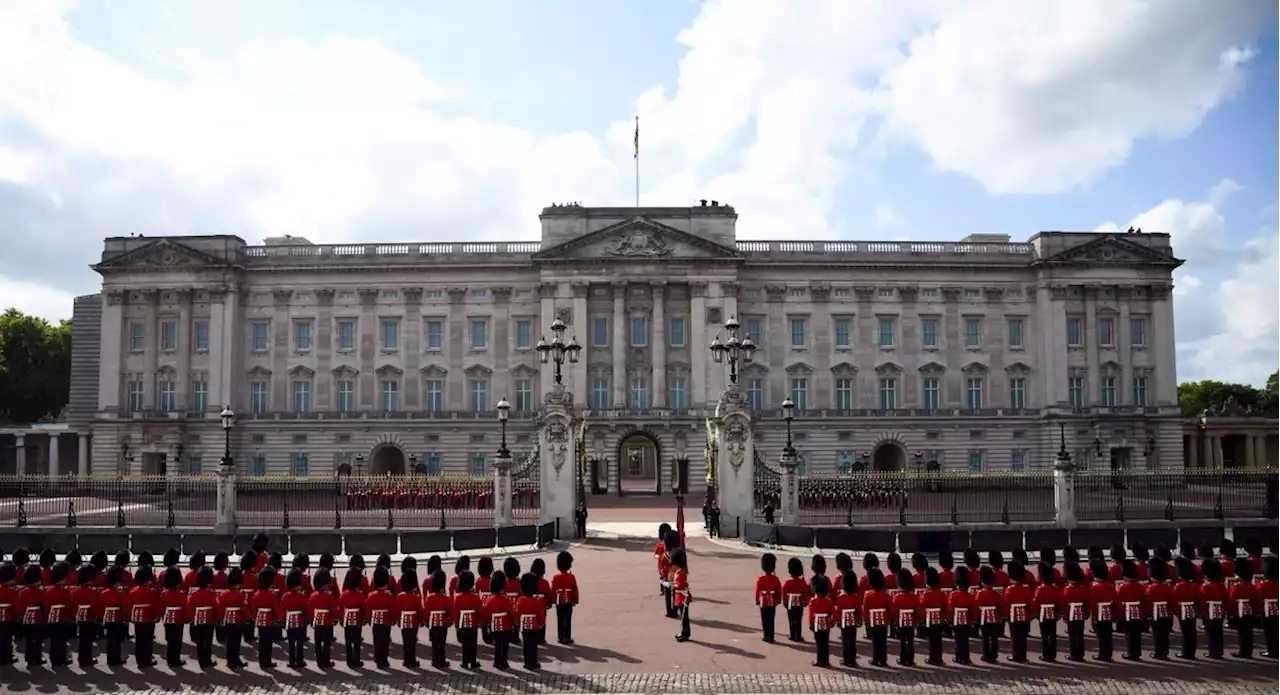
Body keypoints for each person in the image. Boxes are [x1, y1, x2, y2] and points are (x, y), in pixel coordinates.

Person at [128, 565, 159, 669]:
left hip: (137, 617)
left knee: (139, 639)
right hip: (147, 617)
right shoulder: (151, 592)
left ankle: (139, 659)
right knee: (147, 640)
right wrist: (157, 616)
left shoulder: (133, 591)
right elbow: (155, 605)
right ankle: (146, 660)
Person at [188, 566, 218, 669]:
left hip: (198, 619)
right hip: (209, 619)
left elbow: (190, 607)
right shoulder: (211, 593)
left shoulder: (194, 593)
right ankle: (207, 660)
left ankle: (201, 660)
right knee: (208, 641)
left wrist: (192, 619)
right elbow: (216, 606)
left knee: (200, 641)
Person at [307, 568, 337, 669]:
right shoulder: (328, 596)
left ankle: (319, 661)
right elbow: (333, 609)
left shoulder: (312, 596)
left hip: (317, 622)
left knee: (318, 643)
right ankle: (326, 661)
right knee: (327, 643)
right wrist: (335, 618)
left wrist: (311, 620)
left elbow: (310, 609)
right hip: (327, 622)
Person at [366, 566, 396, 669]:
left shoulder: (371, 595)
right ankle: (383, 660)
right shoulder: (389, 596)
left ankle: (377, 658)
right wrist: (394, 619)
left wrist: (369, 619)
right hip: (386, 621)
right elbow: (392, 609)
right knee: (384, 641)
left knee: (377, 639)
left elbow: (368, 609)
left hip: (375, 620)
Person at [1004, 560, 1033, 663]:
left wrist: (1005, 614)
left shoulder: (1009, 590)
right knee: (1023, 636)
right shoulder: (1026, 589)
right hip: (1024, 614)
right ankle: (1023, 655)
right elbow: (1030, 602)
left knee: (1015, 636)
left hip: (1014, 615)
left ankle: (1016, 655)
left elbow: (1006, 604)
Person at [72, 564, 101, 667]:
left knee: (82, 639)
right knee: (88, 640)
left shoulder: (76, 590)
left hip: (80, 616)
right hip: (89, 617)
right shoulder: (91, 591)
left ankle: (82, 659)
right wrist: (97, 615)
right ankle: (87, 659)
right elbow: (95, 605)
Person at [452, 571, 483, 669]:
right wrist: (480, 621)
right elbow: (479, 611)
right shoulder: (475, 597)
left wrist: (456, 622)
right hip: (473, 621)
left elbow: (456, 611)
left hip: (462, 621)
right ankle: (472, 662)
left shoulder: (457, 597)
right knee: (473, 643)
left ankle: (465, 662)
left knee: (464, 644)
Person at [252, 567, 281, 670]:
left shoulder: (256, 594)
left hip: (260, 620)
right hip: (269, 620)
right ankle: (267, 661)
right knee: (268, 643)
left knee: (261, 642)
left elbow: (254, 609)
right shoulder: (271, 595)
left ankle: (261, 661)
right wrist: (279, 619)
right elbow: (276, 609)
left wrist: (256, 617)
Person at [44, 561, 72, 667]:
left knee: (54, 640)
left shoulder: (48, 591)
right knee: (62, 641)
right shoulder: (66, 592)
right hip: (63, 618)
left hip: (52, 618)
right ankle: (61, 658)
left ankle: (54, 659)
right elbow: (69, 605)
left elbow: (46, 606)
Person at [218, 568, 247, 670]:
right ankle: (235, 660)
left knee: (229, 641)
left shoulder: (223, 594)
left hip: (227, 619)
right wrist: (248, 617)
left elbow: (221, 608)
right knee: (236, 641)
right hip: (237, 619)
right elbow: (243, 608)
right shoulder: (239, 594)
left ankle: (230, 661)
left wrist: (221, 619)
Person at [1117, 560, 1146, 661]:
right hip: (1138, 612)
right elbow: (1144, 600)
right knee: (1137, 634)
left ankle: (1131, 653)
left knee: (1129, 634)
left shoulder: (1123, 587)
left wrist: (1119, 615)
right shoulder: (1141, 586)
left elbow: (1119, 602)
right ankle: (1137, 653)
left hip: (1127, 612)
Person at [159, 566, 188, 668]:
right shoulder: (181, 594)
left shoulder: (163, 594)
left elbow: (162, 607)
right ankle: (175, 660)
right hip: (178, 619)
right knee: (177, 641)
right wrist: (188, 618)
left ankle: (170, 659)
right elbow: (186, 607)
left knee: (170, 640)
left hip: (167, 618)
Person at [515, 572, 545, 670]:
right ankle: (534, 662)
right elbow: (541, 614)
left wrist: (517, 623)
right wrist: (542, 623)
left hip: (524, 624)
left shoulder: (520, 600)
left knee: (526, 644)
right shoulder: (537, 601)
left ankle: (527, 662)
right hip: (534, 624)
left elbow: (517, 612)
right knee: (533, 645)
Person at [1230, 557, 1258, 659]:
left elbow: (1232, 600)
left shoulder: (1237, 586)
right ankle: (1248, 651)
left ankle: (1243, 651)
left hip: (1240, 610)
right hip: (1249, 610)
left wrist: (1231, 613)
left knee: (1242, 632)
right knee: (1249, 631)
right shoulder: (1252, 586)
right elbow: (1255, 599)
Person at [18, 563, 46, 667]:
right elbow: (44, 606)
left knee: (29, 639)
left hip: (26, 619)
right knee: (38, 640)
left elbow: (20, 606)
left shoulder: (22, 592)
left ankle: (29, 658)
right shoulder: (40, 592)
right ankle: (37, 658)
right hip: (38, 618)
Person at [1088, 561, 1116, 662]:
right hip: (1108, 613)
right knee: (1108, 635)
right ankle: (1108, 654)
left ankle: (1102, 655)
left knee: (1101, 636)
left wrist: (1094, 615)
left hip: (1099, 614)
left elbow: (1093, 602)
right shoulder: (1110, 586)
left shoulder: (1095, 587)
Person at [1172, 557, 1200, 660]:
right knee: (1192, 632)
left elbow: (1175, 601)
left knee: (1185, 632)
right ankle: (1191, 652)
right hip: (1191, 610)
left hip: (1183, 610)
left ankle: (1185, 652)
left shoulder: (1178, 587)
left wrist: (1176, 612)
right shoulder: (1195, 586)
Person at [974, 566, 1004, 663]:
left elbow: (976, 606)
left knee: (985, 638)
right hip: (994, 617)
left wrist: (975, 617)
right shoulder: (996, 594)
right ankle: (994, 655)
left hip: (984, 617)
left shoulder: (980, 593)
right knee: (994, 638)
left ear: (982, 582)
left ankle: (986, 655)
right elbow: (1001, 606)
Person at [1200, 558, 1228, 660]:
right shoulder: (1221, 587)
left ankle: (1212, 652)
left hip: (1208, 612)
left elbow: (1202, 601)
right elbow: (1225, 599)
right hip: (1220, 612)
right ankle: (1219, 652)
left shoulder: (1204, 587)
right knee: (1219, 632)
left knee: (1210, 633)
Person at [485, 571, 514, 670]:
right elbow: (511, 611)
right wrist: (513, 622)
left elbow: (487, 613)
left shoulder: (489, 599)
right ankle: (504, 662)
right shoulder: (505, 599)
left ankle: (497, 662)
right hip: (505, 624)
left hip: (495, 624)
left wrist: (488, 623)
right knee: (505, 645)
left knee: (497, 644)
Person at [1146, 559, 1173, 661]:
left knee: (1157, 634)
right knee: (1165, 634)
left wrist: (1147, 612)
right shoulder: (1168, 587)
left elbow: (1148, 601)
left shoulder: (1151, 588)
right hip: (1166, 613)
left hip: (1155, 613)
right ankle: (1164, 653)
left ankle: (1158, 653)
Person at [1032, 562, 1060, 662]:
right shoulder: (1055, 588)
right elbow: (1059, 601)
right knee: (1052, 634)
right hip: (1052, 613)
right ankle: (1052, 655)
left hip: (1043, 613)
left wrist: (1034, 612)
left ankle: (1046, 654)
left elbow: (1036, 602)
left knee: (1044, 635)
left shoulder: (1040, 589)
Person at [281, 569, 309, 669]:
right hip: (300, 621)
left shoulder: (285, 596)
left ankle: (291, 661)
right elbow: (306, 608)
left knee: (291, 643)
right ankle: (300, 660)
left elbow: (282, 610)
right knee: (300, 643)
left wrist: (283, 622)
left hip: (289, 621)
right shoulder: (301, 596)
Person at [99, 566, 126, 667]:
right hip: (117, 617)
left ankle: (110, 659)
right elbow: (123, 604)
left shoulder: (104, 592)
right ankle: (116, 658)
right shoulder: (119, 592)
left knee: (110, 639)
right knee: (117, 640)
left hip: (107, 617)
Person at [424, 570, 451, 669]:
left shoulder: (429, 598)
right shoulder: (446, 598)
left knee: (434, 643)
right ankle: (441, 660)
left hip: (432, 622)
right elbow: (450, 610)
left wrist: (426, 621)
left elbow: (426, 610)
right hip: (443, 622)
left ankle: (435, 661)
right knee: (442, 643)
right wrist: (451, 620)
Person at [338, 570, 366, 668]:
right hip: (357, 619)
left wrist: (341, 620)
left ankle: (349, 661)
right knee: (357, 642)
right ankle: (356, 660)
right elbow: (364, 607)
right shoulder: (359, 595)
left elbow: (341, 608)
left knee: (348, 641)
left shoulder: (344, 594)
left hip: (347, 619)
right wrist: (364, 618)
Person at [551, 551, 579, 645]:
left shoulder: (555, 577)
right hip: (568, 600)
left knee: (560, 618)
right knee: (568, 619)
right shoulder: (571, 577)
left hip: (559, 600)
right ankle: (567, 636)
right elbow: (574, 589)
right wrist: (575, 600)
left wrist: (553, 600)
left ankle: (560, 636)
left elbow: (553, 590)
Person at [891, 570, 919, 666]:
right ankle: (910, 659)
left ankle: (903, 659)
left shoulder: (897, 597)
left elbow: (894, 611)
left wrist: (894, 622)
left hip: (901, 621)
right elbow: (918, 610)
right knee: (910, 641)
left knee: (902, 641)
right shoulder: (914, 597)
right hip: (911, 621)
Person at [807, 574, 835, 667]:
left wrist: (810, 623)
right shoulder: (829, 601)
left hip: (817, 623)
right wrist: (832, 621)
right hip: (826, 622)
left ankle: (820, 660)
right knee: (825, 642)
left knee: (819, 643)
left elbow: (811, 614)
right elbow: (833, 612)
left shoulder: (813, 601)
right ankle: (826, 661)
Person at [947, 567, 974, 665]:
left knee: (958, 640)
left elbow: (950, 609)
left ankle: (959, 657)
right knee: (965, 640)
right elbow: (973, 609)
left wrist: (949, 619)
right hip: (967, 620)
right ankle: (966, 658)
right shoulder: (970, 596)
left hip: (957, 620)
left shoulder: (953, 595)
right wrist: (973, 619)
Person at [754, 553, 782, 643]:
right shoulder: (775, 579)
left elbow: (757, 590)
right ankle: (771, 635)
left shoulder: (760, 579)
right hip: (772, 600)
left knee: (764, 619)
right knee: (771, 618)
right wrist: (778, 599)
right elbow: (779, 590)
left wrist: (757, 600)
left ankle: (766, 635)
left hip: (763, 601)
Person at [836, 570, 861, 667]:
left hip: (844, 621)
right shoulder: (856, 597)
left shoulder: (840, 597)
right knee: (852, 640)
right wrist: (859, 619)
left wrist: (838, 620)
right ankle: (853, 659)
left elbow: (838, 611)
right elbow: (859, 610)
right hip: (853, 620)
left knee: (845, 640)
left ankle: (846, 659)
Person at [782, 557, 809, 642]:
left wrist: (785, 601)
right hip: (799, 602)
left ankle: (792, 634)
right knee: (798, 619)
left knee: (791, 619)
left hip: (790, 602)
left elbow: (784, 592)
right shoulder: (802, 582)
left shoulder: (787, 582)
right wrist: (805, 601)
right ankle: (798, 635)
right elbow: (806, 593)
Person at [1258, 557, 1280, 658]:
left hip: (1267, 609)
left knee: (1269, 631)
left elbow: (1258, 597)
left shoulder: (1263, 585)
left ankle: (1271, 650)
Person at [670, 547, 692, 643]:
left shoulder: (680, 573)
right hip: (680, 597)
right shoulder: (678, 572)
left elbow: (680, 586)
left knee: (684, 618)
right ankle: (683, 633)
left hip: (683, 598)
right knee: (683, 617)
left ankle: (685, 634)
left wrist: (673, 586)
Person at [530, 558, 553, 646]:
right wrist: (549, 602)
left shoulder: (530, 581)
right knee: (542, 621)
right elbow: (548, 594)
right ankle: (541, 638)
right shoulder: (544, 582)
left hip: (531, 603)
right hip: (542, 604)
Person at [0, 563, 19, 666]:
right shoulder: (10, 592)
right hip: (7, 619)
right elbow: (16, 606)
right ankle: (6, 657)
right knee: (6, 640)